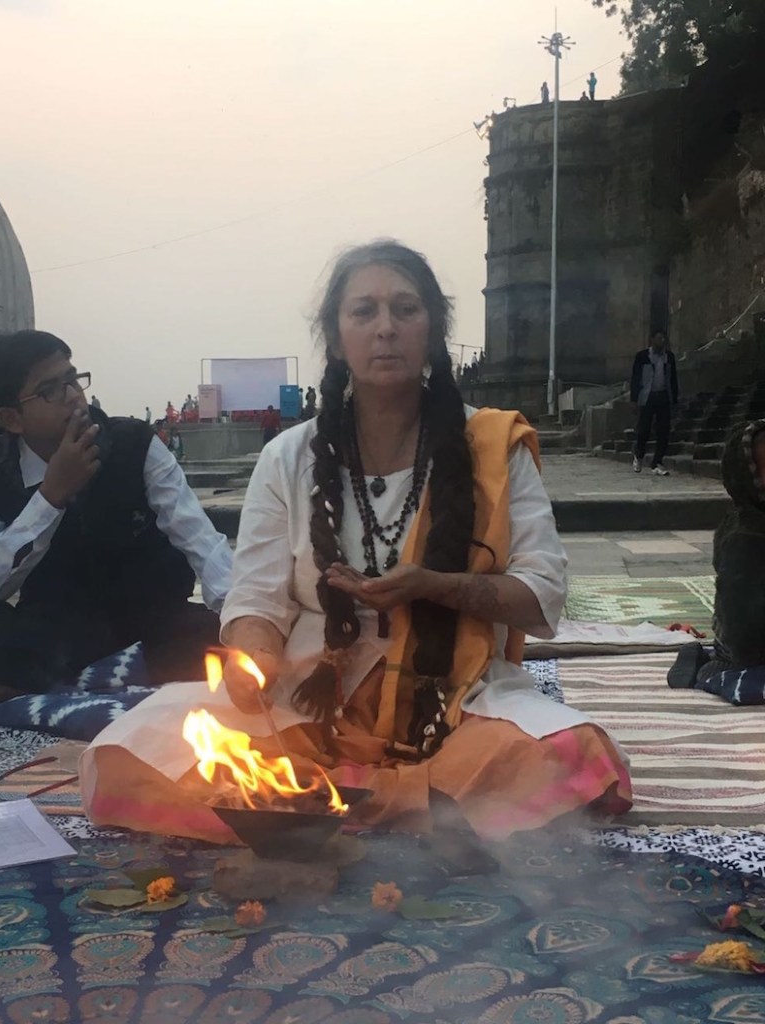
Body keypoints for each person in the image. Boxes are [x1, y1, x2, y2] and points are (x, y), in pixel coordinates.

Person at [183, 239, 626, 841]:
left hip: (456, 704)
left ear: (433, 330)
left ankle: (344, 803)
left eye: (405, 309)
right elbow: (256, 600)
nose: (385, 328)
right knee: (142, 748)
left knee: (576, 755)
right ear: (336, 338)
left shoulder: (491, 447)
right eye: (364, 311)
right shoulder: (286, 457)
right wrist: (251, 659)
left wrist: (436, 587)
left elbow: (542, 595)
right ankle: (416, 809)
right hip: (308, 710)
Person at [0, 331, 233, 696]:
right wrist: (50, 497)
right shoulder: (3, 470)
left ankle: (69, 689)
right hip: (52, 634)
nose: (73, 396)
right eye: (50, 390)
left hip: (154, 623)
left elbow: (201, 542)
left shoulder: (132, 444)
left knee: (222, 642)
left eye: (72, 379)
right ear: (12, 419)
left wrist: (244, 620)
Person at [668, 421, 765, 703]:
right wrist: (743, 655)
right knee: (744, 679)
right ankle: (703, 667)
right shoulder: (745, 538)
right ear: (749, 478)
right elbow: (740, 621)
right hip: (745, 649)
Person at [630, 329, 679, 476]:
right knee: (643, 429)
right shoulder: (642, 356)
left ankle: (657, 461)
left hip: (663, 396)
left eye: (663, 339)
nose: (661, 341)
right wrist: (634, 399)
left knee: (663, 430)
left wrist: (674, 398)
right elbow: (635, 378)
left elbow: (673, 379)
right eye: (659, 338)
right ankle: (639, 456)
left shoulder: (669, 357)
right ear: (651, 340)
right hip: (647, 396)